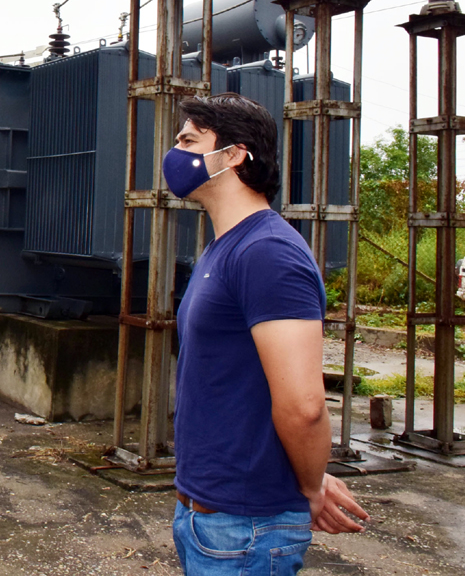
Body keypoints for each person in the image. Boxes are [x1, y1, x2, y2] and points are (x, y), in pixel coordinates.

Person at [164, 94, 368, 575]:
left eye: (189, 140)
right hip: (206, 516)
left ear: (234, 155)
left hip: (246, 529)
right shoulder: (223, 248)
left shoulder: (268, 253)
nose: (175, 154)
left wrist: (312, 486)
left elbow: (305, 405)